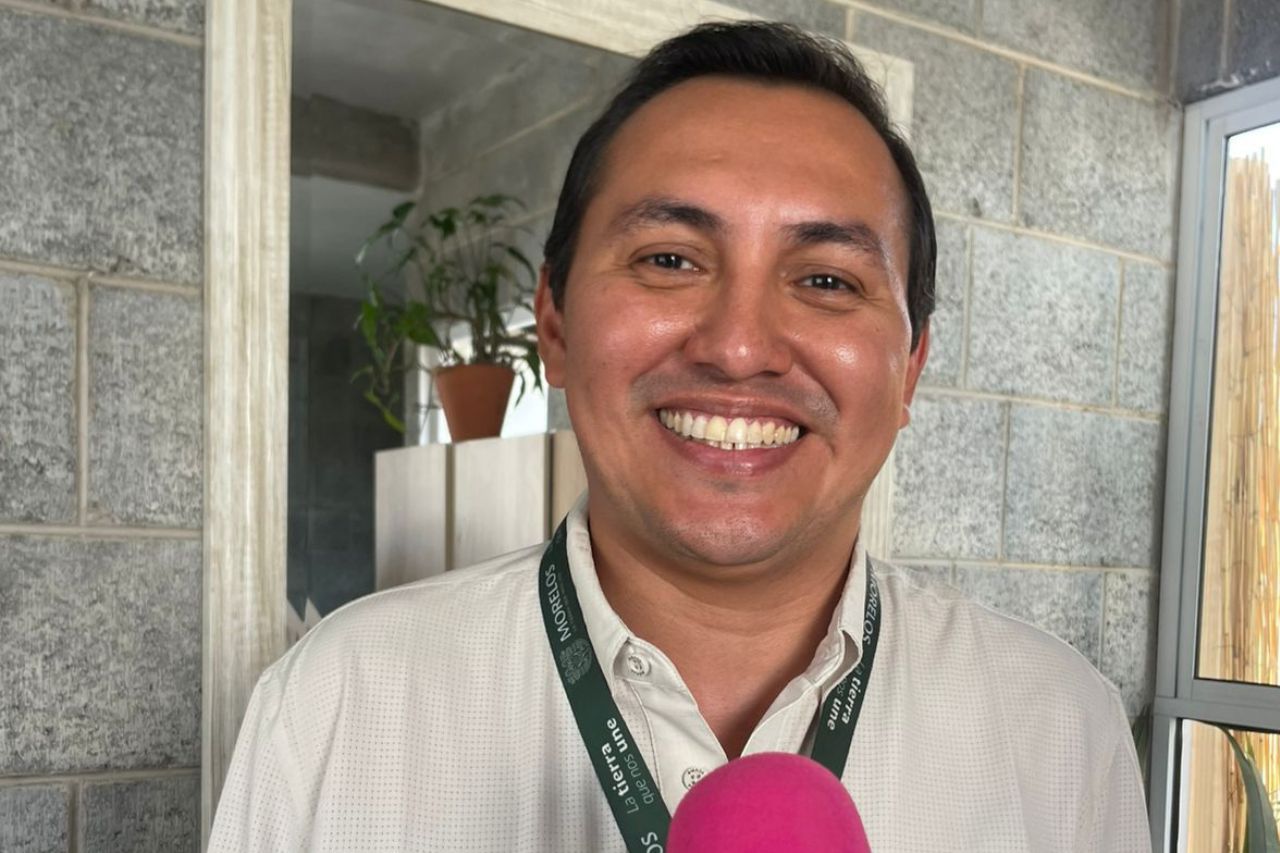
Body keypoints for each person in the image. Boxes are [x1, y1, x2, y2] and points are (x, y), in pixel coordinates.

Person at [209, 21, 1149, 852]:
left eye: (827, 280)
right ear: (556, 325)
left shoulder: (1059, 733)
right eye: (669, 259)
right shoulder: (336, 705)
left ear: (909, 368)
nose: (738, 346)